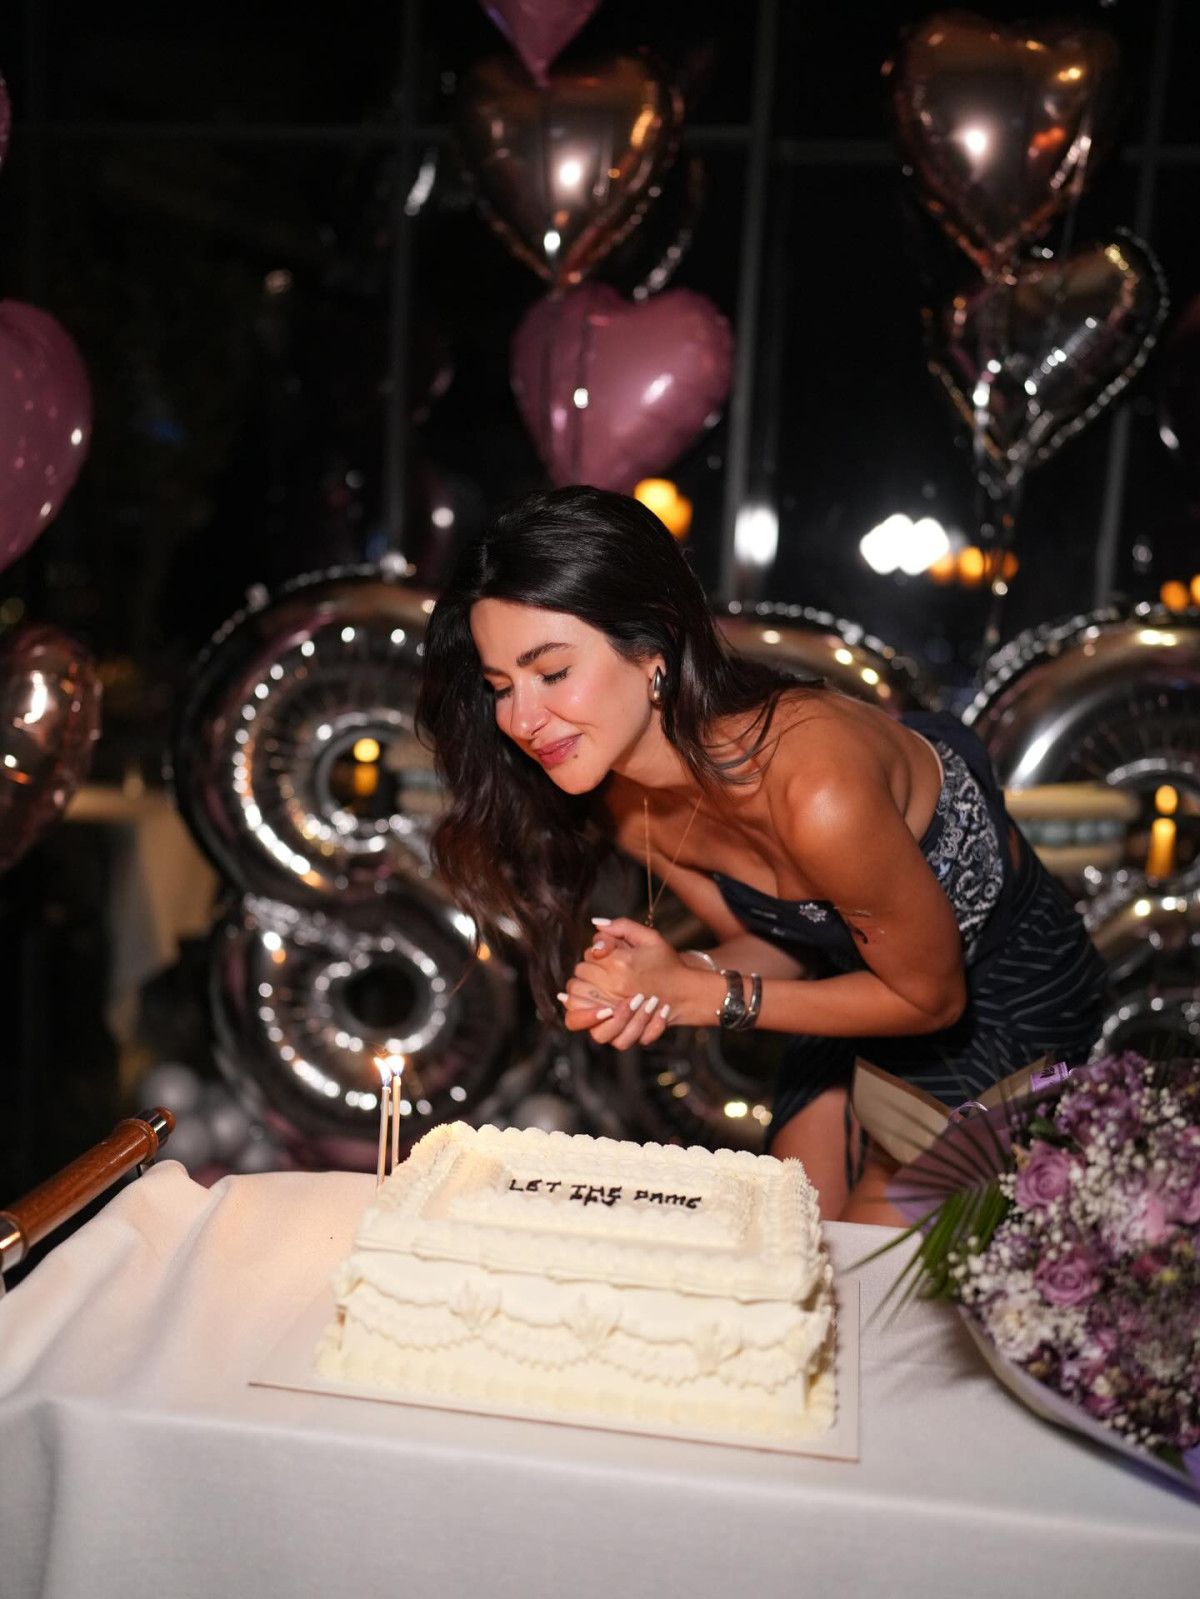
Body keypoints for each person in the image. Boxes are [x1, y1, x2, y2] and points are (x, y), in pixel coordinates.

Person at [416, 485, 1106, 1222]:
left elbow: (932, 999)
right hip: (850, 996)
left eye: (551, 672)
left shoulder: (817, 788)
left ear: (652, 648)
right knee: (787, 1233)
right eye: (500, 687)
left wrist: (705, 995)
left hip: (1001, 1005)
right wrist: (667, 977)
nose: (521, 718)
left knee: (866, 1261)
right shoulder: (623, 800)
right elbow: (783, 949)